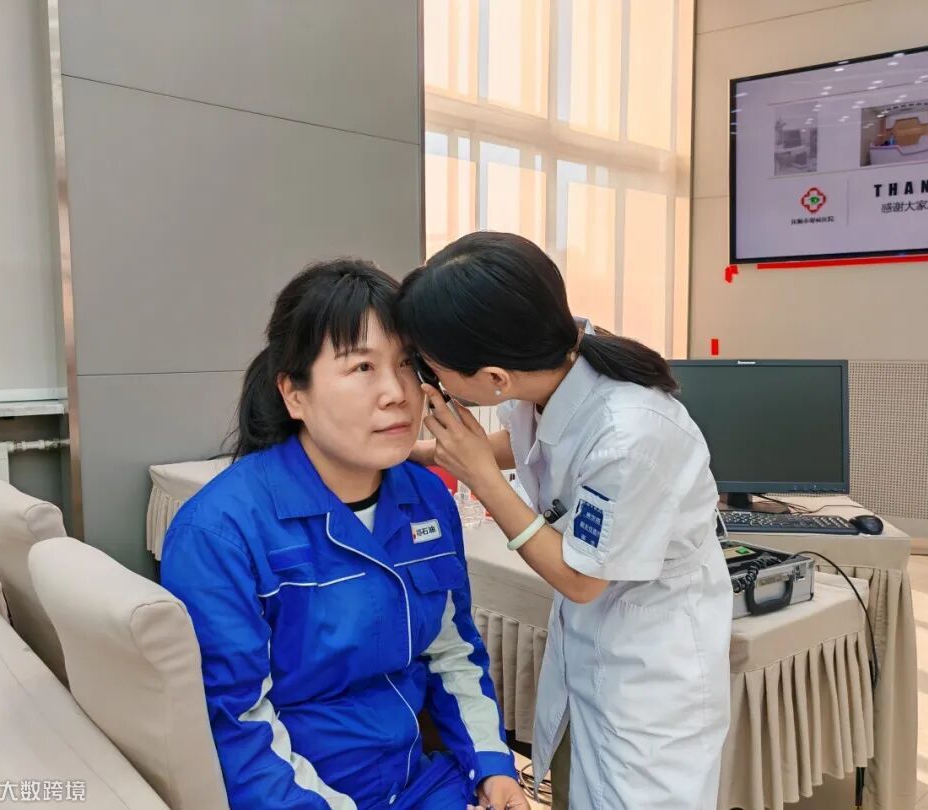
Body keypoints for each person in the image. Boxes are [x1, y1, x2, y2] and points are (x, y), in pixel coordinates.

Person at [161, 259, 527, 810]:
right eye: (362, 367)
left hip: (419, 785)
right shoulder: (221, 532)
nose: (396, 392)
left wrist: (494, 769)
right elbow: (237, 725)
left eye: (407, 363)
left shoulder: (425, 497)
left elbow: (452, 651)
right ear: (294, 394)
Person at [398, 232, 733, 809]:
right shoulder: (550, 363)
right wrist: (428, 453)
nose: (430, 382)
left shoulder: (630, 434)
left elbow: (581, 579)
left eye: (435, 369)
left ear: (495, 378)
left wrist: (480, 475)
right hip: (597, 634)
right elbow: (533, 441)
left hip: (651, 664)